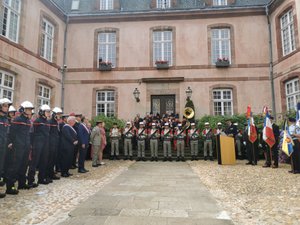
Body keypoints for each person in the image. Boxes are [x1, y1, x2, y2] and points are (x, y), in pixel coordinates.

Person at [6, 101, 34, 195]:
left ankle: (21, 183)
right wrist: (11, 143)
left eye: (30, 109)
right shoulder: (17, 119)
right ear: (23, 110)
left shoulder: (28, 121)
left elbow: (28, 134)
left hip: (26, 146)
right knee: (14, 166)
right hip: (18, 146)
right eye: (28, 109)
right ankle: (10, 187)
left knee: (24, 165)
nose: (30, 111)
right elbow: (12, 133)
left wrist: (29, 144)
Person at [28, 104, 51, 186]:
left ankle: (41, 179)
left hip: (45, 143)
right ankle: (30, 180)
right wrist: (32, 144)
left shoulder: (47, 122)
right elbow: (32, 133)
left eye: (49, 112)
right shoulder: (37, 121)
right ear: (42, 112)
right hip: (37, 143)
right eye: (47, 112)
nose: (48, 113)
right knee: (34, 162)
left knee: (44, 161)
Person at [0, 98, 12, 198]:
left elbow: (7, 134)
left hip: (3, 146)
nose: (7, 108)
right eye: (5, 105)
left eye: (7, 106)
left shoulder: (6, 119)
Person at [47, 107, 62, 181]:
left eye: (60, 114)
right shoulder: (50, 122)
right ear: (54, 114)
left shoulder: (56, 122)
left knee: (53, 160)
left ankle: (51, 173)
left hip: (55, 143)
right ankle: (48, 175)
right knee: (50, 160)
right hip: (51, 144)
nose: (59, 116)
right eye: (58, 114)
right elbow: (48, 133)